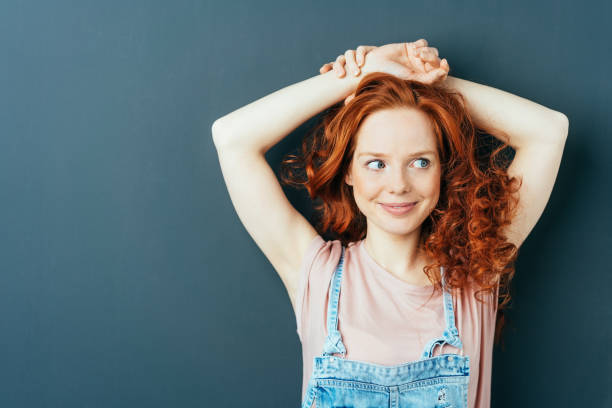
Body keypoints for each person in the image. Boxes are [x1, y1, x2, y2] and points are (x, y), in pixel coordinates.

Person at [211, 39, 569, 408]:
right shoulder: (317, 274)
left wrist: (426, 81)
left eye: (420, 162)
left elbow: (549, 131)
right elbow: (232, 138)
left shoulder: (475, 274)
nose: (398, 184)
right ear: (349, 171)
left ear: (442, 171)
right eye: (376, 163)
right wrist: (363, 76)